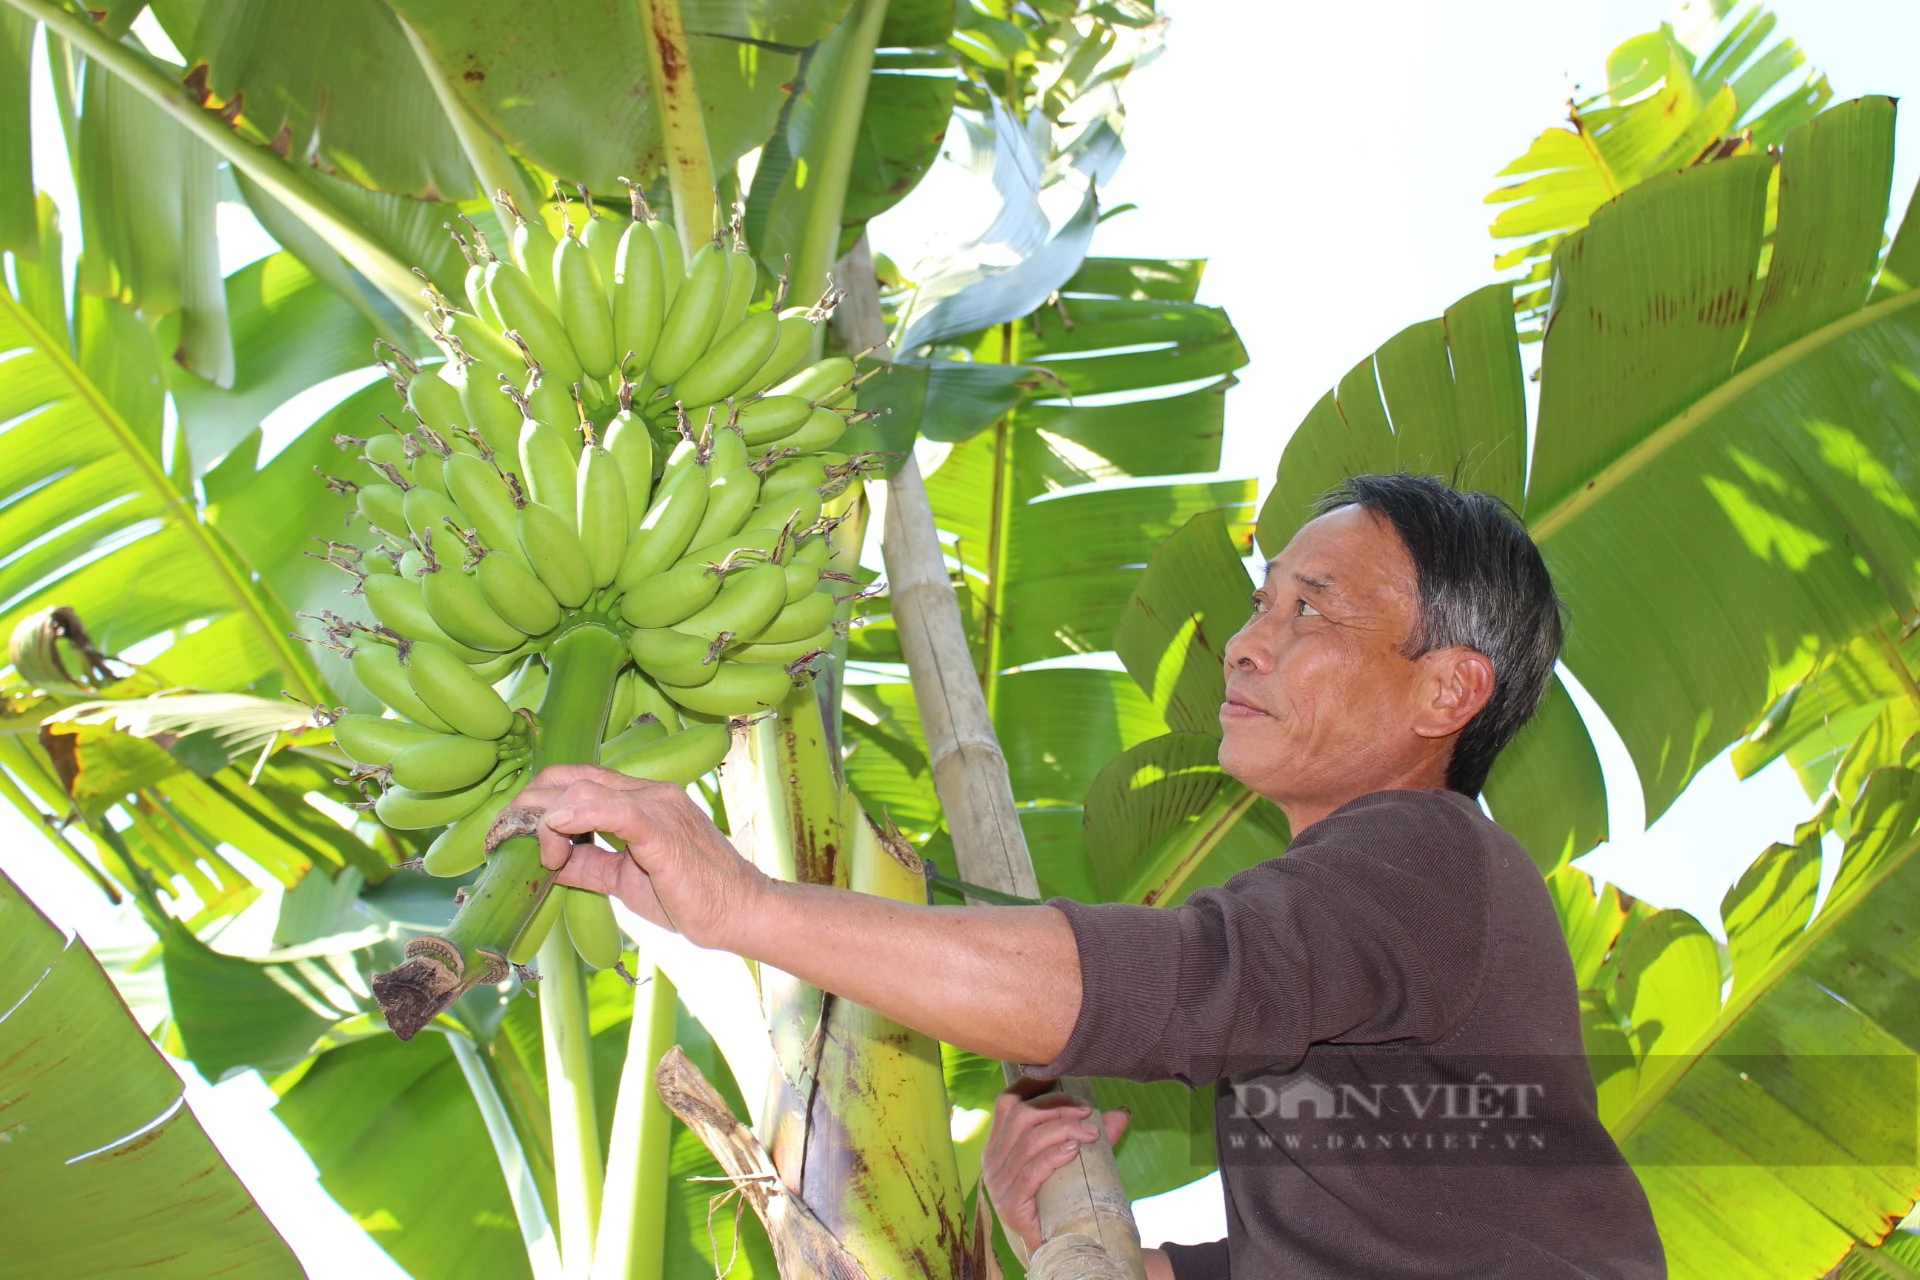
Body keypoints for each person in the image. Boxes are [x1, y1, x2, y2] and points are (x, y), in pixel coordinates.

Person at [523, 473, 1667, 1279]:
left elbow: (1170, 981)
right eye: (1264, 600)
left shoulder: (1427, 851)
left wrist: (748, 907)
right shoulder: (1383, 916)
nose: (1247, 640)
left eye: (1311, 609)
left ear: (1447, 692)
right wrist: (1077, 1241)